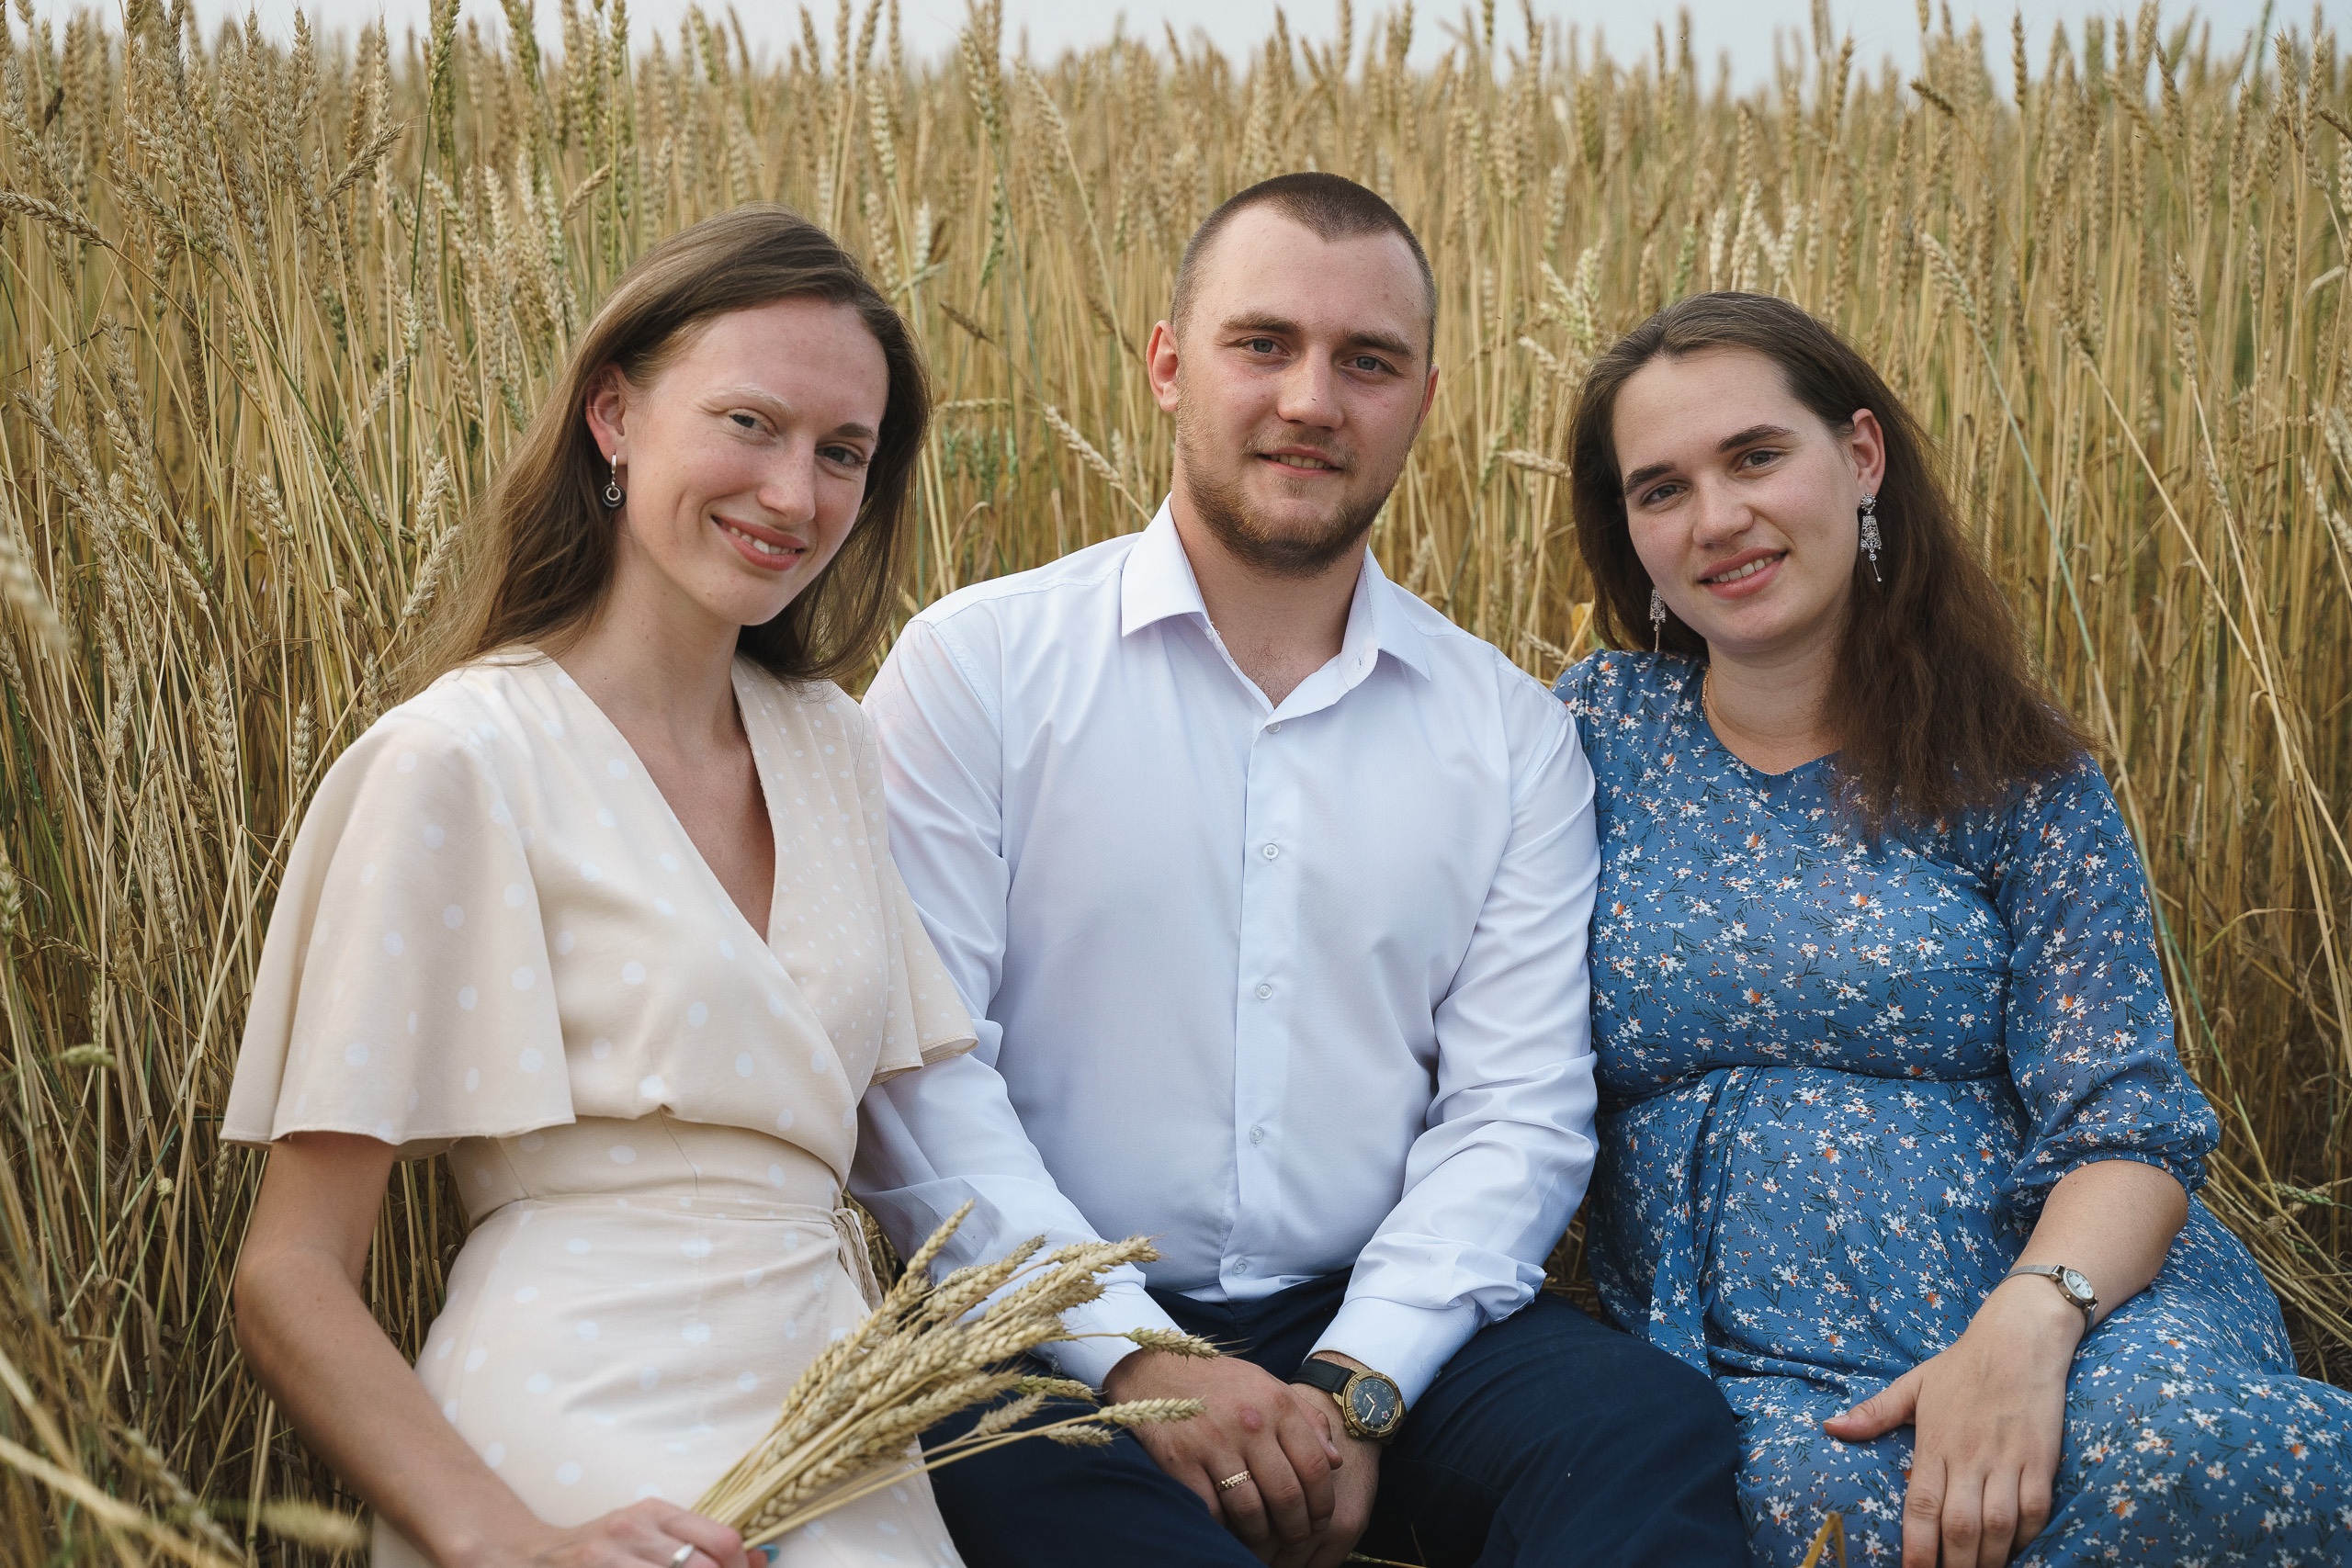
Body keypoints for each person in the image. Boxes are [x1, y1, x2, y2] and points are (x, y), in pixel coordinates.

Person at [848, 173, 1749, 1568]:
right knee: (1044, 1498)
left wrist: (1357, 1383)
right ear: (1165, 364)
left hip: (1369, 1314)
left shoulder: (1509, 732)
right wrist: (1135, 1361)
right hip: (1033, 1331)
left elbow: (1516, 1116)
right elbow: (918, 1077)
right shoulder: (980, 669)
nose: (1312, 402)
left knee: (1642, 1437)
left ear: (1424, 400)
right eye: (1260, 344)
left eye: (1367, 362)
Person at [1551, 289, 2352, 1567]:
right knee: (1835, 1526)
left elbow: (2130, 1121)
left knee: (2188, 1459)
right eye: (1661, 489)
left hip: (2076, 1314)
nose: (1717, 519)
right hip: (1758, 1365)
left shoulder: (2011, 769)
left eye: (1756, 456)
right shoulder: (1578, 745)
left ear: (1860, 457)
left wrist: (2029, 1325)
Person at [225, 207, 977, 1568]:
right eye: (749, 422)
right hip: (571, 1440)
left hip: (842, 1429)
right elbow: (289, 1273)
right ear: (613, 416)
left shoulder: (832, 747)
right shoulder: (458, 760)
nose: (795, 496)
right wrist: (507, 1542)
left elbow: (919, 1142)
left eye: (842, 453)